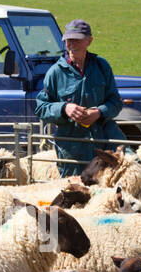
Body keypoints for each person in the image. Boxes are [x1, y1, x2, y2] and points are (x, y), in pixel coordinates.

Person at [34, 19, 126, 177]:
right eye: (68, 40)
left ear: (89, 41)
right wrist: (64, 108)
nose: (71, 44)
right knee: (76, 190)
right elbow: (41, 107)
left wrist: (99, 112)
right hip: (73, 148)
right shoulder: (55, 73)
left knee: (118, 183)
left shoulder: (101, 66)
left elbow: (116, 102)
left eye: (76, 39)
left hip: (105, 141)